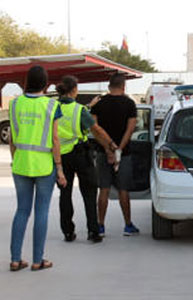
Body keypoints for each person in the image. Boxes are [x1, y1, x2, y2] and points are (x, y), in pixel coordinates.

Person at [9, 66, 67, 272]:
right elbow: (55, 139)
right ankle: (37, 260)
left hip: (21, 164)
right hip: (44, 166)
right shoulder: (51, 106)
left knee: (21, 211)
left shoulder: (15, 103)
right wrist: (59, 169)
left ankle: (15, 260)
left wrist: (15, 159)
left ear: (26, 82)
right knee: (41, 212)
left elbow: (12, 139)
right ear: (46, 83)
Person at [56, 76, 117, 243]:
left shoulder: (52, 107)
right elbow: (95, 129)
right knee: (89, 194)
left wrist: (90, 106)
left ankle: (68, 232)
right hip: (80, 155)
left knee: (65, 194)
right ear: (74, 90)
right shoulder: (78, 110)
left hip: (60, 157)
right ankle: (93, 231)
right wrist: (110, 144)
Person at [91, 73, 139, 236]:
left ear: (109, 86)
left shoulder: (99, 105)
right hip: (123, 154)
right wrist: (118, 149)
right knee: (123, 190)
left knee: (103, 189)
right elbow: (130, 129)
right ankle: (127, 225)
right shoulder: (130, 104)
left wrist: (107, 148)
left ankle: (100, 226)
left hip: (102, 153)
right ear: (124, 86)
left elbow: (95, 129)